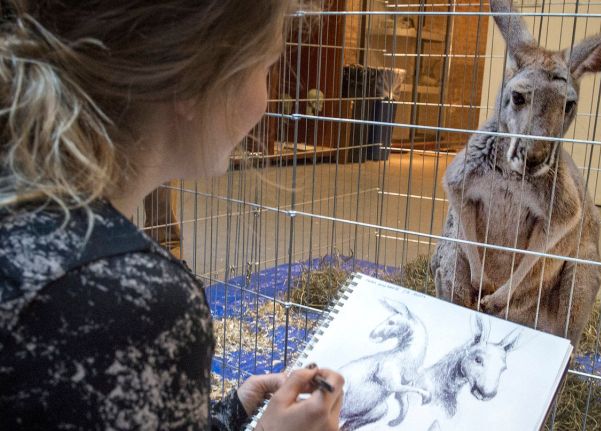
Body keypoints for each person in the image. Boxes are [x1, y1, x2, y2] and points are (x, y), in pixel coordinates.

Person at [0, 1, 344, 430]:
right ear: (200, 75)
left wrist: (225, 412)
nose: (266, 99)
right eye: (266, 68)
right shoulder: (136, 304)